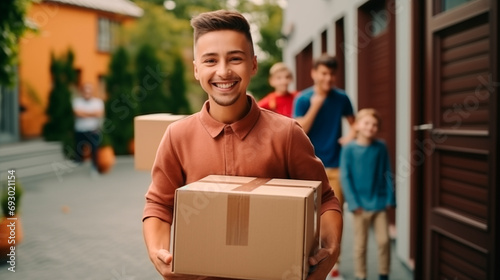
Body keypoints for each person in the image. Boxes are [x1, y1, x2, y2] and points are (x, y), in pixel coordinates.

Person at [142, 10, 343, 280]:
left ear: (253, 64)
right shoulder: (177, 136)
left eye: (235, 59)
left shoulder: (287, 134)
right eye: (210, 60)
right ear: (196, 69)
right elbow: (158, 205)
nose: (223, 71)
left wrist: (329, 252)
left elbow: (326, 200)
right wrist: (158, 253)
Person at [293, 53, 355, 277]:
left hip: (335, 166)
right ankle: (305, 261)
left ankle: (332, 264)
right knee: (308, 218)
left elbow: (354, 123)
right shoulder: (303, 98)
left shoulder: (342, 98)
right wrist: (316, 105)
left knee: (333, 218)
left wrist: (351, 137)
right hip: (306, 168)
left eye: (331, 74)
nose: (328, 78)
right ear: (314, 73)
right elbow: (300, 130)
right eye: (323, 73)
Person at [340, 108, 396, 280]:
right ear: (356, 125)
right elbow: (345, 177)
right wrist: (353, 203)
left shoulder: (381, 147)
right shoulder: (349, 149)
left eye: (374, 125)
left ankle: (384, 274)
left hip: (379, 202)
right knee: (360, 244)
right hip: (360, 205)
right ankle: (360, 275)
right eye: (366, 123)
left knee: (384, 242)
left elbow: (388, 172)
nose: (370, 127)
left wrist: (390, 197)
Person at [72, 82, 104, 177]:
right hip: (80, 130)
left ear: (92, 92)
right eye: (85, 91)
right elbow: (77, 113)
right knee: (78, 149)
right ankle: (78, 168)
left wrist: (84, 114)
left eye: (89, 91)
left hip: (93, 130)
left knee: (94, 150)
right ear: (82, 92)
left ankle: (94, 168)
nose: (87, 94)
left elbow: (99, 114)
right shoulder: (77, 102)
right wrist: (91, 114)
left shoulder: (98, 102)